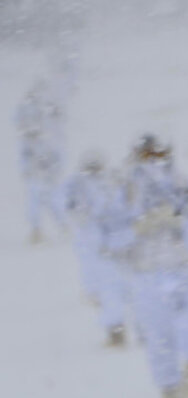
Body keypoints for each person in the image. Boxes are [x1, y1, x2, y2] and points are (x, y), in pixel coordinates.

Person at [125, 134, 188, 398]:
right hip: (148, 271)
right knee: (158, 334)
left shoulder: (183, 183)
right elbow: (108, 231)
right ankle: (168, 387)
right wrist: (137, 227)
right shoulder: (127, 189)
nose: (154, 162)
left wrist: (182, 221)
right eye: (147, 156)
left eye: (158, 155)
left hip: (187, 265)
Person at [64, 152, 130, 346]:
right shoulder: (78, 185)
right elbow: (71, 209)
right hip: (96, 246)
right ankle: (117, 328)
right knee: (106, 289)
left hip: (112, 247)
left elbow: (122, 213)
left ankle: (117, 330)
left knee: (114, 289)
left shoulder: (110, 184)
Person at [17, 81, 67, 242]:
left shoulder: (48, 143)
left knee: (54, 203)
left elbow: (57, 159)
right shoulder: (27, 145)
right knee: (34, 205)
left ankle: (63, 227)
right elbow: (23, 159)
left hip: (47, 178)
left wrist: (53, 172)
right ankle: (36, 231)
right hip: (35, 178)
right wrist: (26, 171)